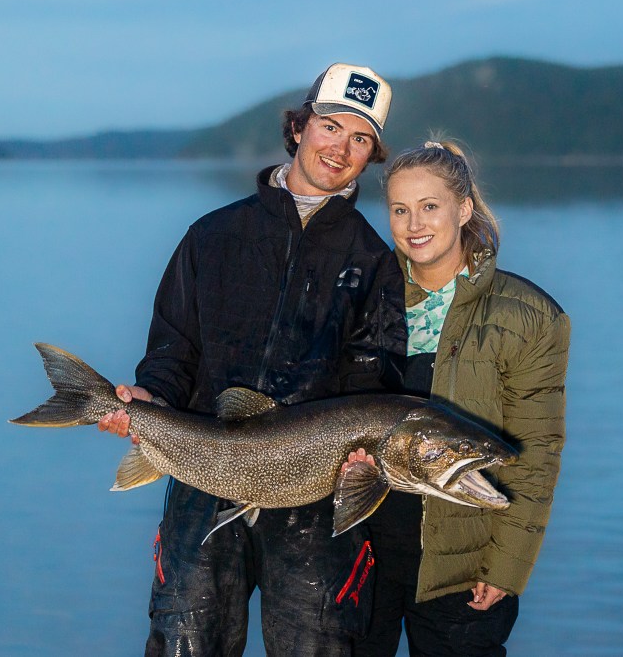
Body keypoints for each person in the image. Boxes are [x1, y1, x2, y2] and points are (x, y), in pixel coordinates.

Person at [97, 63, 407, 656]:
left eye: (360, 139)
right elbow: (172, 349)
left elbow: (374, 382)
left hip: (317, 496)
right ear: (298, 128)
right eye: (330, 127)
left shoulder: (375, 263)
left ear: (371, 156)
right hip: (204, 475)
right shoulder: (212, 235)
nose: (340, 149)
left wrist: (365, 457)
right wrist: (150, 399)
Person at [350, 140, 570, 656]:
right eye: (400, 210)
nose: (414, 224)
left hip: (464, 569)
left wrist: (507, 567)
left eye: (430, 206)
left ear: (464, 209)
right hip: (365, 550)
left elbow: (536, 456)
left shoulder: (528, 315)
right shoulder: (364, 299)